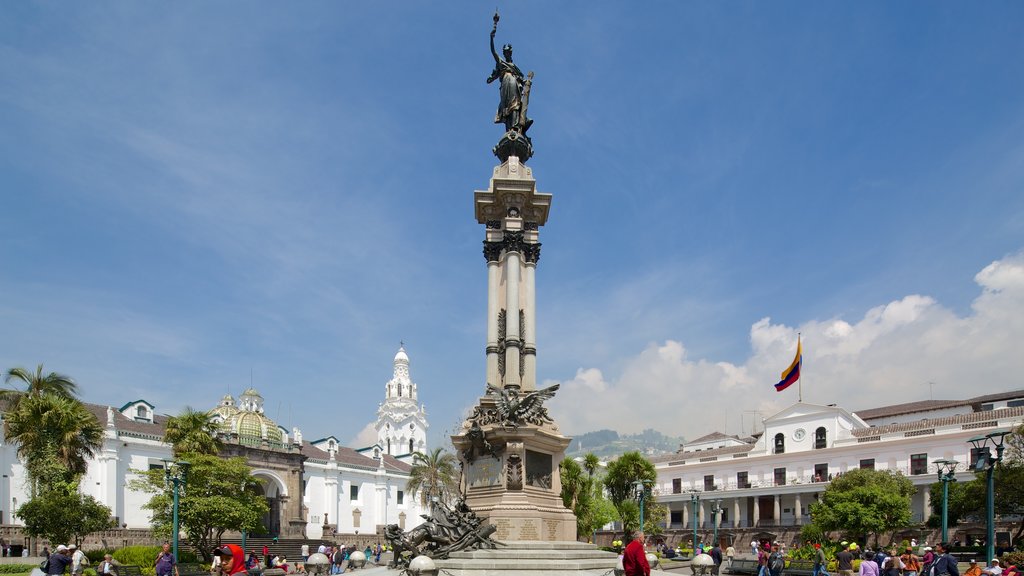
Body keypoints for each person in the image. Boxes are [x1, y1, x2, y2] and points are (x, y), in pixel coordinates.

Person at [486, 16, 531, 134]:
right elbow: (493, 52)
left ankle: (516, 126)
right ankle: (509, 127)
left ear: (510, 53)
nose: (507, 54)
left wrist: (526, 82)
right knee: (507, 106)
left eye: (508, 52)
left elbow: (521, 78)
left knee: (516, 104)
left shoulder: (515, 67)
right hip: (506, 83)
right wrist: (492, 37)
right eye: (505, 52)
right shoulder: (502, 63)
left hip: (514, 83)